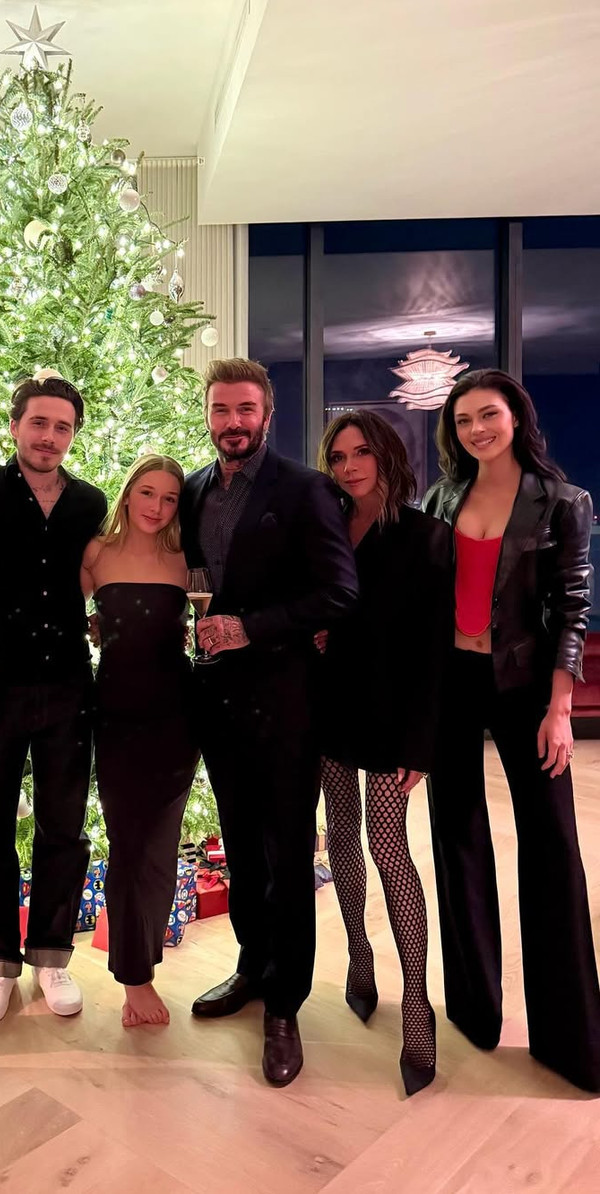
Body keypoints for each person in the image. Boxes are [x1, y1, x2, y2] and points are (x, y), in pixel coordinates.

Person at [179, 357, 358, 1087]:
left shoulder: (306, 489)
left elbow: (339, 592)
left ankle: (285, 1006)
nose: (233, 423)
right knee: (243, 853)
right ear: (208, 415)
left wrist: (249, 628)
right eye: (221, 410)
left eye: (245, 410)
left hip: (286, 703)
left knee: (286, 857)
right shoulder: (193, 489)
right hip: (217, 703)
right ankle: (252, 968)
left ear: (267, 414)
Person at [422, 367, 600, 1093]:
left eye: (488, 414)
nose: (476, 430)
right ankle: (475, 1009)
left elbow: (573, 607)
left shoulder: (562, 501)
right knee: (456, 839)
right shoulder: (440, 498)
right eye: (463, 420)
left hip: (527, 687)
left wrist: (560, 709)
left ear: (515, 417)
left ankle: (571, 1039)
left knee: (552, 846)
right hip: (452, 684)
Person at [314, 410, 453, 1095]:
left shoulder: (426, 535)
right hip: (329, 706)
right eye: (338, 456)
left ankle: (417, 1006)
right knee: (341, 835)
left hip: (393, 716)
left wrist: (421, 742)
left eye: (361, 453)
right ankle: (359, 958)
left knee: (390, 848)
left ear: (387, 456)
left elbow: (434, 649)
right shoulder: (327, 527)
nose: (349, 467)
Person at [0, 371, 106, 1025]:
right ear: (15, 425)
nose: (50, 436)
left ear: (73, 435)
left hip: (69, 683)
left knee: (64, 827)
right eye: (39, 423)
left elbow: (102, 574)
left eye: (62, 427)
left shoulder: (90, 502)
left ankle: (52, 956)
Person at [81, 454, 199, 1026]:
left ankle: (143, 966)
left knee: (160, 847)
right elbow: (53, 614)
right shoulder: (96, 554)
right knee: (129, 846)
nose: (157, 507)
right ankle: (134, 978)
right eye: (147, 493)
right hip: (117, 718)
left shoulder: (186, 560)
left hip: (177, 720)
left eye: (170, 498)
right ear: (127, 493)